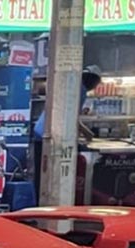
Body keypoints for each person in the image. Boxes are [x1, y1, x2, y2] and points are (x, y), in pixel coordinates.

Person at [32, 66, 103, 198]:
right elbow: (72, 117)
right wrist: (87, 133)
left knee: (42, 174)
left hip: (42, 133)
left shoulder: (73, 87)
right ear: (92, 81)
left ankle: (41, 202)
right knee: (48, 174)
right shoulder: (79, 90)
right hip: (50, 135)